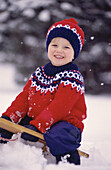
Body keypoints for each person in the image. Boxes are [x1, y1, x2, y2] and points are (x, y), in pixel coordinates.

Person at [0, 18, 87, 165]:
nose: (59, 50)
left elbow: (60, 107)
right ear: (48, 48)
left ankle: (67, 161)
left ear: (74, 53)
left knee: (59, 135)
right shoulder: (39, 74)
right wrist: (9, 118)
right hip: (38, 120)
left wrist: (38, 126)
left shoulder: (72, 78)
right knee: (17, 124)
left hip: (65, 125)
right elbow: (24, 99)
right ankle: (6, 142)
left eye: (66, 47)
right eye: (54, 45)